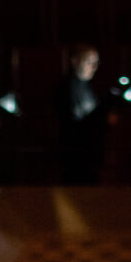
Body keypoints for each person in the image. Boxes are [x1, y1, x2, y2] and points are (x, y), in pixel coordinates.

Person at [55, 44, 107, 184]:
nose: (94, 67)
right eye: (89, 61)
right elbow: (74, 123)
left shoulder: (89, 86)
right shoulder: (67, 88)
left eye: (96, 62)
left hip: (91, 153)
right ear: (75, 61)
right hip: (76, 155)